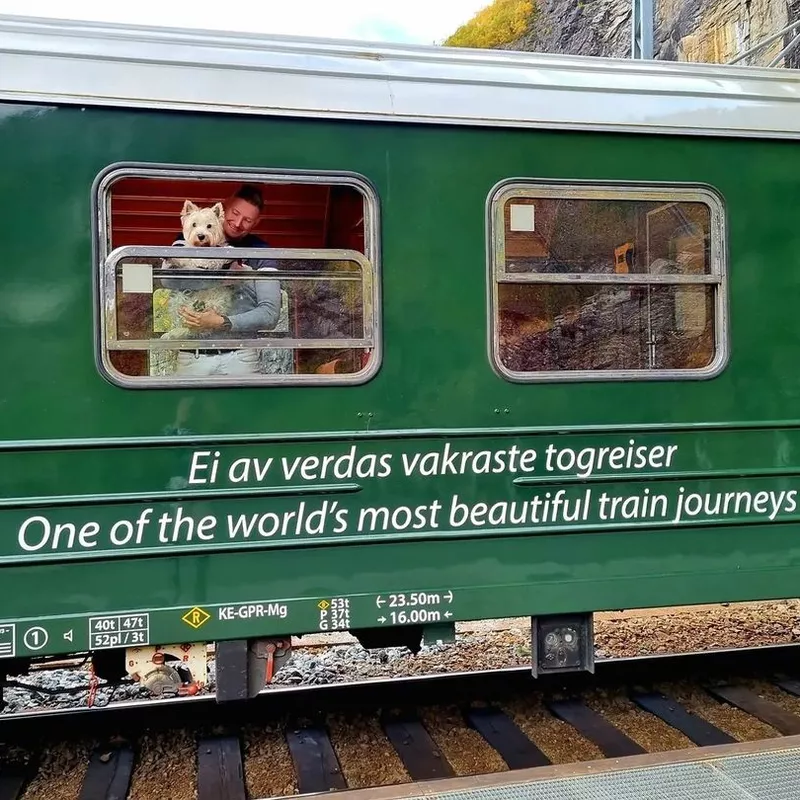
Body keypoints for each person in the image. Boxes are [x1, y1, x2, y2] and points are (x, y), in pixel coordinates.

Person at [159, 184, 282, 376]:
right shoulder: (185, 242)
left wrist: (222, 322)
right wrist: (225, 278)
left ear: (256, 223)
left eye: (247, 220)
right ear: (223, 209)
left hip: (241, 355)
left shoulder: (262, 252)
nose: (238, 223)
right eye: (235, 212)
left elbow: (270, 313)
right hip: (192, 355)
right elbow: (168, 281)